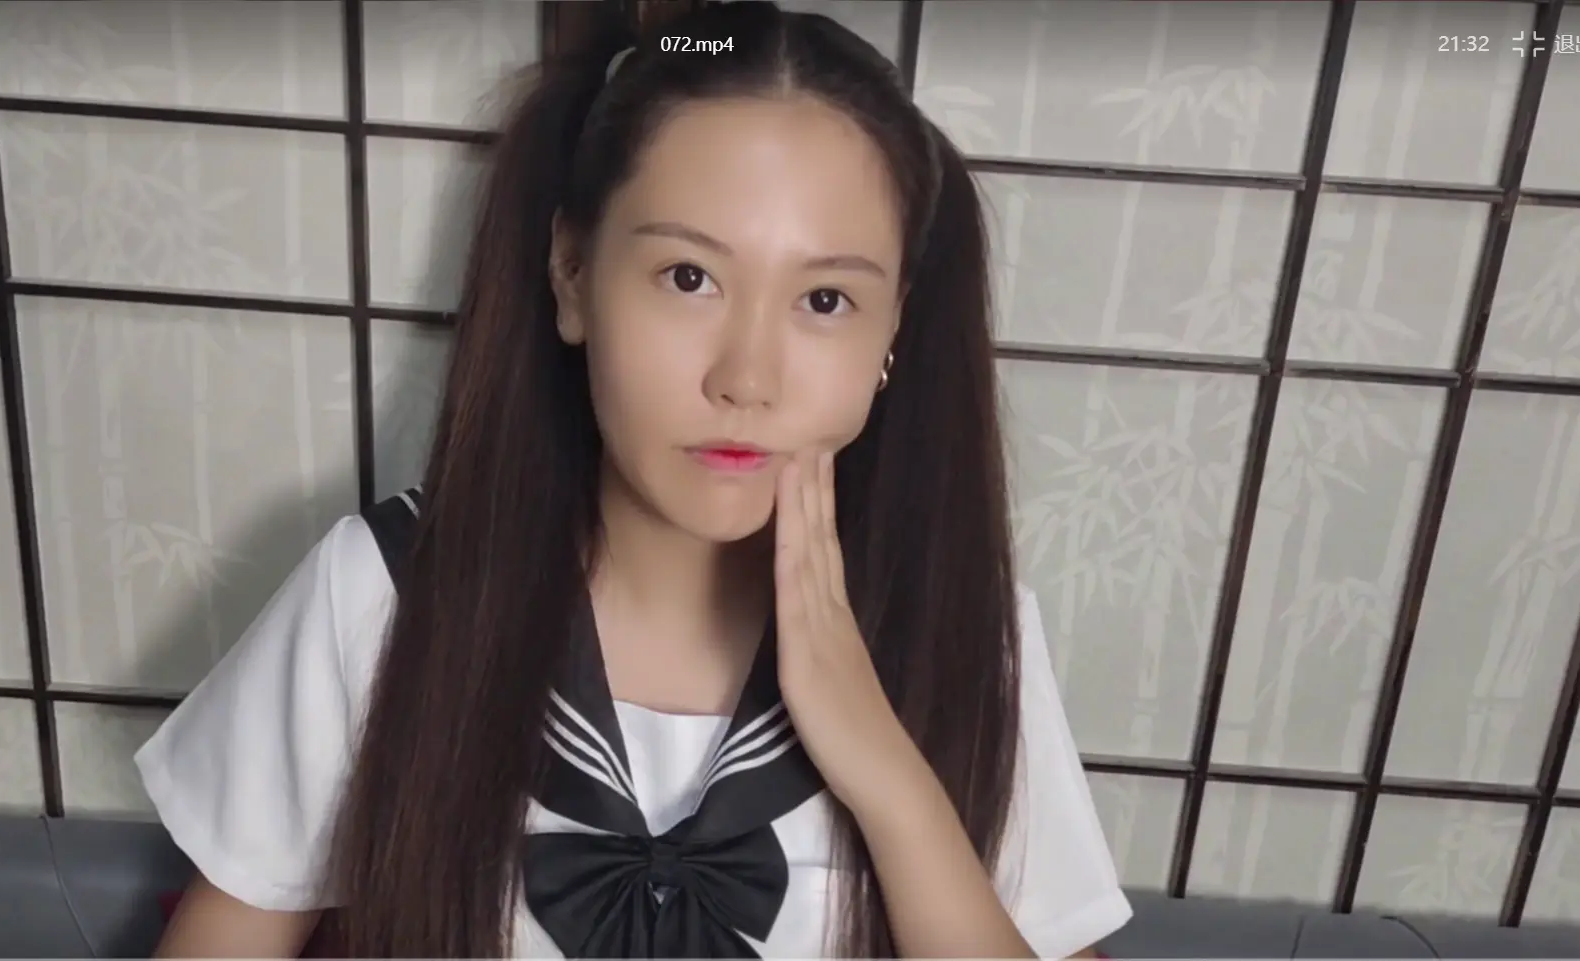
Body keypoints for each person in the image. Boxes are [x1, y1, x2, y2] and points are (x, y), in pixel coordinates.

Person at [134, 2, 1130, 958]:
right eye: (688, 278)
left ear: (893, 329)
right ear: (572, 275)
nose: (746, 378)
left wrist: (889, 779)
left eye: (825, 299)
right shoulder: (386, 592)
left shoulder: (965, 628)